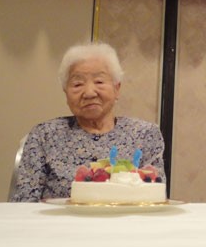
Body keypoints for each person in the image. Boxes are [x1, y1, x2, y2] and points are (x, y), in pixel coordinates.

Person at [10, 42, 165, 202]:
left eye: (99, 82)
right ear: (66, 93)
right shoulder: (44, 135)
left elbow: (154, 197)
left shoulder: (145, 134)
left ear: (116, 88)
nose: (89, 93)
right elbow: (24, 202)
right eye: (77, 84)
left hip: (125, 224)